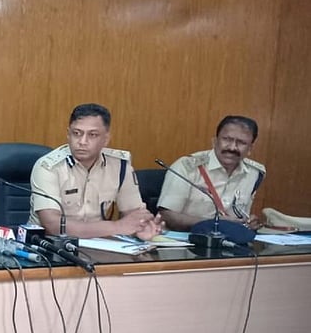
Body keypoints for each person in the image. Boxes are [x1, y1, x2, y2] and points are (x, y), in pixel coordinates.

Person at [30, 103, 161, 240]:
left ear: (106, 139)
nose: (82, 141)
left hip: (98, 244)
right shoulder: (48, 167)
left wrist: (142, 228)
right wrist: (117, 226)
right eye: (76, 133)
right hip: (48, 245)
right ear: (68, 134)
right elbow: (52, 224)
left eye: (92, 135)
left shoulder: (120, 166)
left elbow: (134, 214)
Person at [158, 115, 265, 231]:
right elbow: (167, 216)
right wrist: (214, 223)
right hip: (186, 237)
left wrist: (247, 223)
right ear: (214, 141)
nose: (232, 148)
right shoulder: (187, 167)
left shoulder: (255, 173)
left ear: (250, 148)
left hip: (228, 239)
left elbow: (241, 216)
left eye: (241, 143)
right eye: (227, 139)